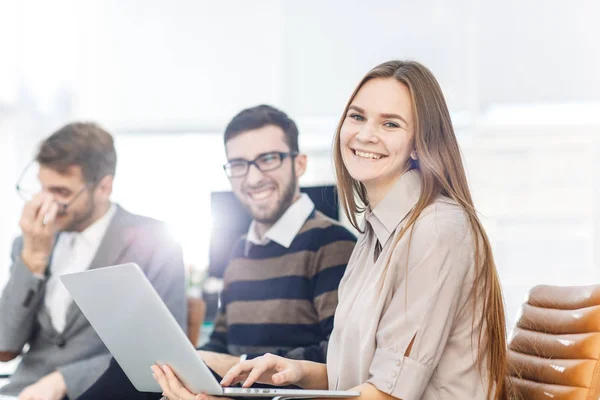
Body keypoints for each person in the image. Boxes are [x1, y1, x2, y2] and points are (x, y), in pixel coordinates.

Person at [154, 61, 510, 400]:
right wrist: (296, 370)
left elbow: (386, 394)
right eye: (357, 117)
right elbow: (357, 379)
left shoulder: (436, 229)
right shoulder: (374, 235)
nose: (365, 134)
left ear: (420, 143)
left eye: (390, 124)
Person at [80, 105, 356, 399]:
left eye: (268, 159)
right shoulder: (241, 250)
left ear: (299, 164)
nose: (252, 178)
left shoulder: (333, 243)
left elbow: (338, 357)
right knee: (141, 370)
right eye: (238, 164)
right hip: (231, 389)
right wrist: (192, 362)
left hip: (278, 395)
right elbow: (222, 342)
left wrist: (235, 365)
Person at [0, 122, 187, 400]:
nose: (46, 203)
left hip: (103, 392)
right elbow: (5, 347)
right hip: (23, 392)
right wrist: (33, 259)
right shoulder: (27, 243)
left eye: (62, 192)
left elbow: (166, 353)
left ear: (104, 187)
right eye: (42, 188)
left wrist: (66, 379)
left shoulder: (154, 243)